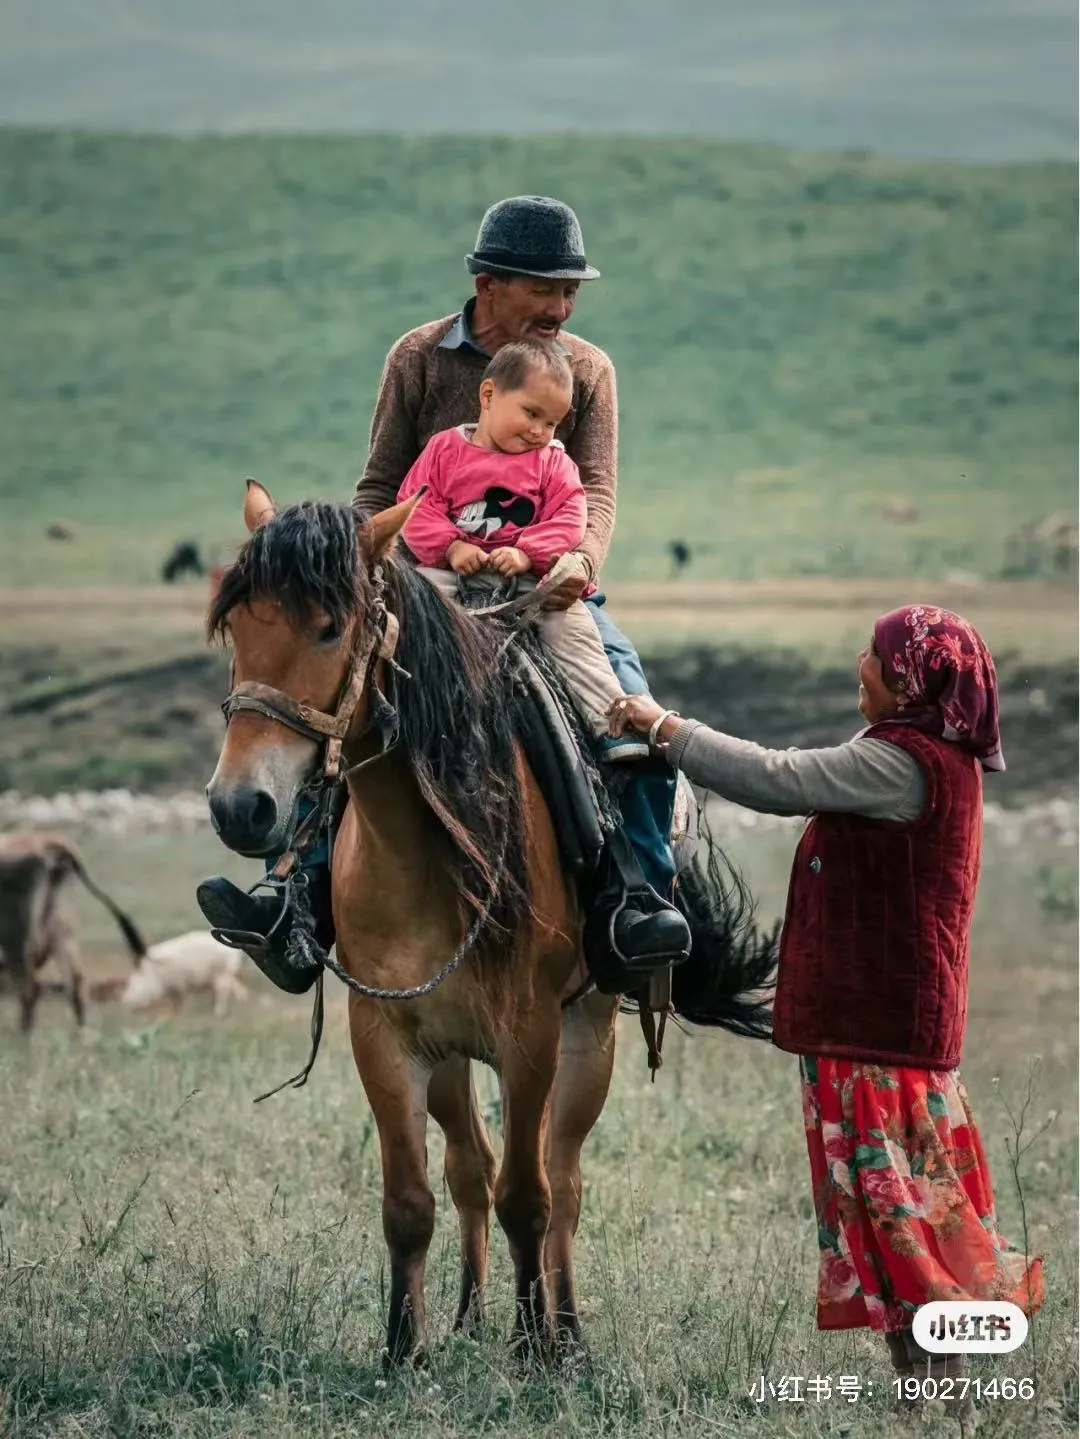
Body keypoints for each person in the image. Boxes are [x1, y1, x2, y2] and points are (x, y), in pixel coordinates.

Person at [197, 195, 690, 988]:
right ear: (490, 283)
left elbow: (593, 491)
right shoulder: (419, 356)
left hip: (542, 582)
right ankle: (292, 902)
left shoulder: (587, 370)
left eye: (572, 291)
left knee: (628, 708)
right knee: (347, 708)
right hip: (420, 580)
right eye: (545, 288)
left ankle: (635, 896)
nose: (562, 307)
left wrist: (578, 564)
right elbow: (377, 485)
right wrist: (359, 574)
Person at [609, 604, 1044, 1409]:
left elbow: (777, 779)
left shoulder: (904, 762)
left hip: (878, 1036)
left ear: (910, 679)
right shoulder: (927, 756)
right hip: (878, 1030)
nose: (859, 663)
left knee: (903, 1225)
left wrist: (667, 730)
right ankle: (932, 1396)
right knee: (897, 1222)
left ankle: (942, 1396)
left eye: (875, 657)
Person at [399, 337, 647, 755]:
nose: (538, 431)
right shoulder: (444, 450)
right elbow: (415, 506)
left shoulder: (553, 462)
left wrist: (527, 552)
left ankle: (611, 722)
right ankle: (402, 715)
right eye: (531, 414)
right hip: (451, 574)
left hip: (531, 582)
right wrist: (450, 547)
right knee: (410, 619)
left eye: (550, 423)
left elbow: (572, 515)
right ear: (489, 394)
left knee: (573, 631)